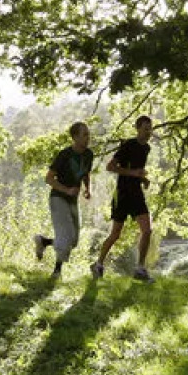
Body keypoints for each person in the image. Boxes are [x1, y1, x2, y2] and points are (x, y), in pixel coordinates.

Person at [94, 115, 154, 281]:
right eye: (146, 128)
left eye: (150, 128)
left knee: (147, 230)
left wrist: (143, 179)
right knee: (115, 234)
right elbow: (110, 167)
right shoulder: (128, 145)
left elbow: (137, 171)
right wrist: (134, 173)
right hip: (122, 194)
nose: (149, 132)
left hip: (136, 193)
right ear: (137, 128)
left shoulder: (146, 148)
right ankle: (98, 264)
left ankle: (140, 269)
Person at [33, 121, 94, 277]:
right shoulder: (64, 155)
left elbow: (86, 173)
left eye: (88, 134)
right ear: (75, 137)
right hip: (58, 198)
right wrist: (67, 190)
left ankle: (44, 242)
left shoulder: (89, 154)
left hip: (72, 200)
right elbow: (48, 178)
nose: (88, 137)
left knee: (74, 241)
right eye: (84, 135)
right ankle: (57, 272)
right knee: (65, 235)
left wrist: (87, 189)